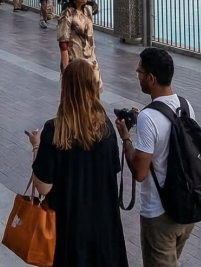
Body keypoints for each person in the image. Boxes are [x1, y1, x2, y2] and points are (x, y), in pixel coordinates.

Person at [27, 58, 129, 267]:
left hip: (68, 231)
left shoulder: (54, 130)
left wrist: (36, 146)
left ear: (65, 88)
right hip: (104, 230)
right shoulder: (106, 129)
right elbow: (112, 171)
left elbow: (44, 187)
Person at [116, 47, 195, 267]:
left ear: (151, 78)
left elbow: (140, 173)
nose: (137, 75)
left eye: (139, 72)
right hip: (186, 209)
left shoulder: (149, 118)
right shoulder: (185, 106)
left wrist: (126, 138)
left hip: (160, 216)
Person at [56, 0, 100, 88]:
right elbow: (63, 43)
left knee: (94, 95)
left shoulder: (87, 10)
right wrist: (66, 69)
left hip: (91, 61)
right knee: (78, 96)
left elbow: (95, 6)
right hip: (75, 63)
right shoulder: (68, 13)